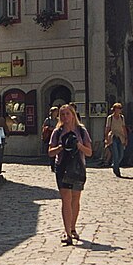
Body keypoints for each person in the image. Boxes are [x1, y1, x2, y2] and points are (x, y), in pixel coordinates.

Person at [48, 103, 92, 246]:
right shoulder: (57, 132)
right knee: (66, 199)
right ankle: (68, 233)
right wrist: (61, 147)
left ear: (73, 115)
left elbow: (89, 152)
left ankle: (73, 227)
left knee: (75, 199)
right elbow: (50, 152)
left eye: (67, 114)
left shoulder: (81, 131)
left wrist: (78, 145)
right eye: (62, 114)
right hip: (62, 167)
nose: (65, 117)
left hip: (78, 167)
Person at [104, 102, 129, 178]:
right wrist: (106, 138)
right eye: (117, 109)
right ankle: (117, 170)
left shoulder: (122, 117)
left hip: (120, 137)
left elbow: (123, 127)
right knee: (115, 153)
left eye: (120, 109)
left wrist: (126, 137)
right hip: (113, 137)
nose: (119, 110)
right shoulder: (110, 118)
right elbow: (107, 128)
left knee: (121, 154)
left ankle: (115, 164)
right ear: (114, 109)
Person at [41, 105, 59, 170]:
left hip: (56, 136)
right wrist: (49, 128)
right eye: (55, 112)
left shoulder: (58, 120)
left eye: (57, 112)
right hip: (49, 136)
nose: (56, 113)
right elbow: (44, 127)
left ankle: (56, 164)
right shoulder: (48, 119)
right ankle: (52, 165)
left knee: (56, 150)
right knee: (51, 150)